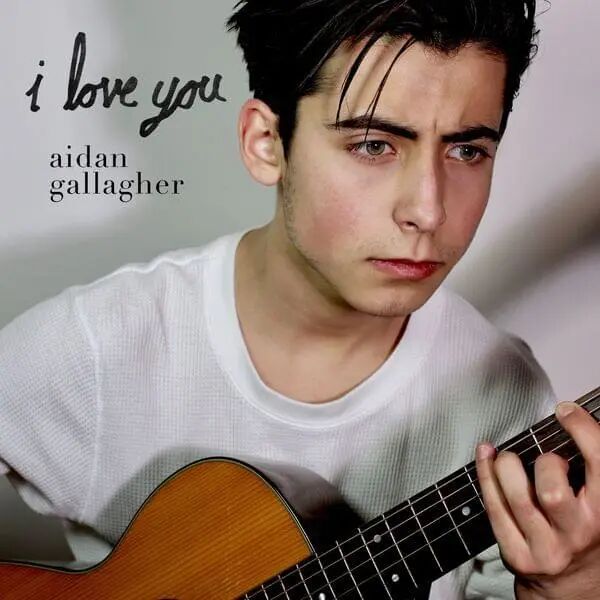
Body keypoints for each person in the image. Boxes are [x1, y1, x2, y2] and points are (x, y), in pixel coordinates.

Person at [0, 0, 598, 598]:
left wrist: (566, 587)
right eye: (373, 145)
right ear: (266, 142)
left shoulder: (508, 400)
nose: (428, 210)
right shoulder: (99, 346)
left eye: (467, 151)